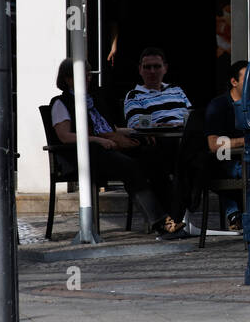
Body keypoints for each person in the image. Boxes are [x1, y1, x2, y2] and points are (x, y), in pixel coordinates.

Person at [51, 59, 177, 235]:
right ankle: (160, 222)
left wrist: (138, 131)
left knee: (153, 157)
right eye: (82, 77)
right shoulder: (61, 103)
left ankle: (173, 215)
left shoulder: (93, 100)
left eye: (88, 76)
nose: (87, 80)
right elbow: (65, 136)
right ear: (68, 79)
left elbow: (112, 128)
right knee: (130, 166)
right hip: (87, 154)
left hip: (109, 147)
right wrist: (97, 140)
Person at [204, 60, 248, 231]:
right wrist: (246, 141)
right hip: (225, 160)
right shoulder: (219, 105)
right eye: (249, 79)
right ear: (234, 81)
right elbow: (214, 145)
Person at [123, 47, 191, 130]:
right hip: (161, 139)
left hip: (187, 137)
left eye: (157, 66)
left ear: (165, 68)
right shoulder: (134, 96)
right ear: (140, 69)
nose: (152, 71)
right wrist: (171, 126)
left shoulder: (176, 90)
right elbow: (139, 127)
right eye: (147, 67)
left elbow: (192, 118)